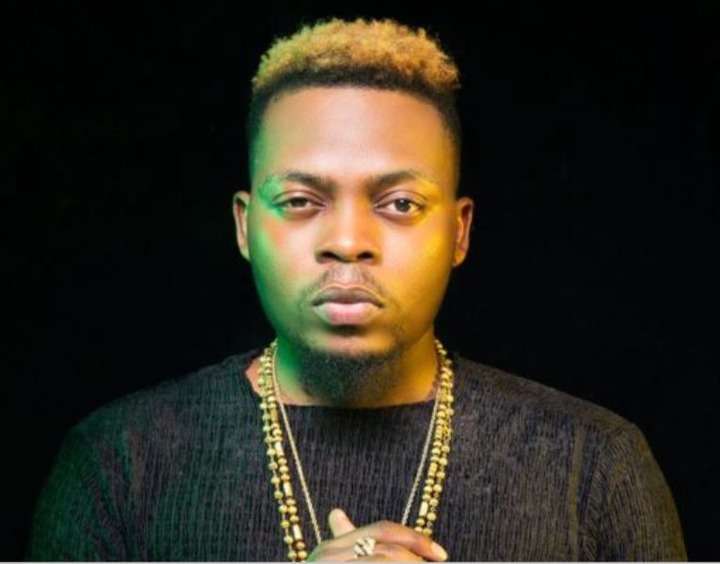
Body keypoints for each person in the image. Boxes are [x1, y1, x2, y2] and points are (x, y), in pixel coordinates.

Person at [28, 17, 686, 561]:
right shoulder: (119, 464)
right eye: (301, 200)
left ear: (459, 233)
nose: (348, 240)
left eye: (399, 203)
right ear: (245, 227)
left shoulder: (594, 466)